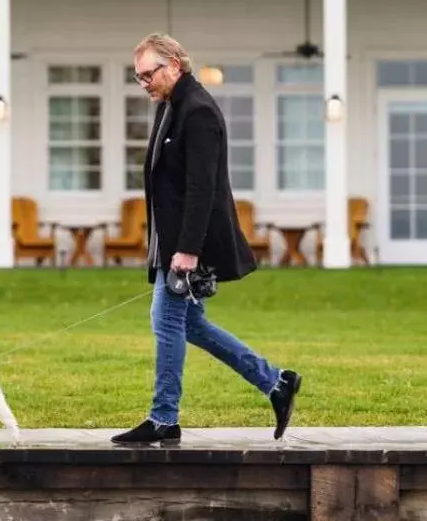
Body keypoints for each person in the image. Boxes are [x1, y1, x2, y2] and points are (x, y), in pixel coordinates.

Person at [111, 32, 301, 447]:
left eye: (149, 74)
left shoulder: (198, 112)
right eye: (138, 77)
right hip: (170, 243)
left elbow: (203, 188)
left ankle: (164, 418)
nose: (144, 83)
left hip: (186, 246)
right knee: (190, 324)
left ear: (175, 65)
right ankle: (276, 382)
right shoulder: (170, 108)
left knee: (166, 323)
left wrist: (188, 250)